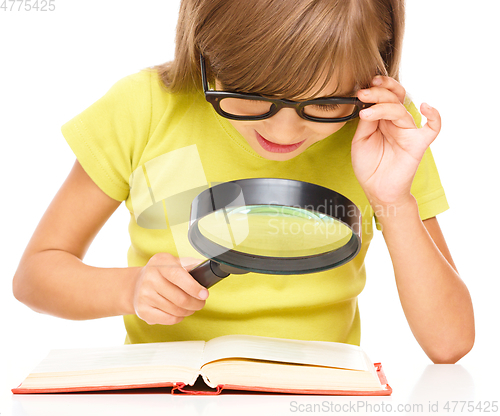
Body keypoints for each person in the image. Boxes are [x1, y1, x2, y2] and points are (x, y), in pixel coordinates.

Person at [13, 0, 474, 363]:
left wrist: (393, 199)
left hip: (318, 396)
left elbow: (449, 342)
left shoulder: (386, 130)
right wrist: (128, 289)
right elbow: (35, 275)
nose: (283, 133)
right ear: (204, 47)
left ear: (375, 76)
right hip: (168, 396)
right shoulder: (145, 108)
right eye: (250, 96)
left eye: (324, 104)